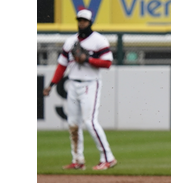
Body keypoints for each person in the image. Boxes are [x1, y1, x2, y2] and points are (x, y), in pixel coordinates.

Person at [43, 9, 118, 171]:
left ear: (90, 22)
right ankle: (78, 159)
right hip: (73, 84)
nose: (81, 23)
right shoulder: (70, 42)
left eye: (84, 20)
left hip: (90, 84)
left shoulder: (98, 40)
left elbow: (107, 63)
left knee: (90, 122)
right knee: (73, 124)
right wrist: (51, 84)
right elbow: (62, 65)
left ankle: (108, 158)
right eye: (79, 20)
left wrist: (88, 59)